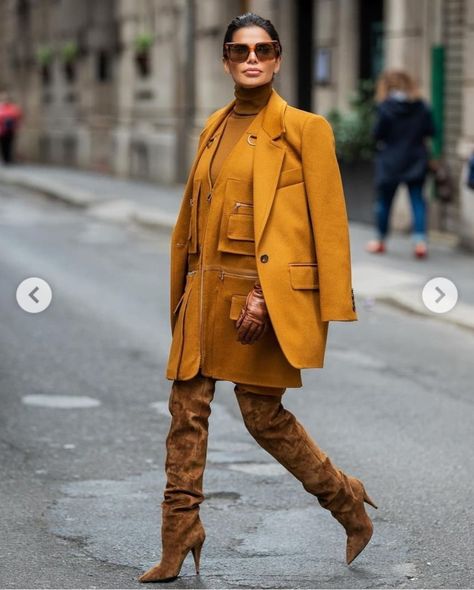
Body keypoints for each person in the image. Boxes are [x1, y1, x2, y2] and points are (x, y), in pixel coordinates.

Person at [138, 13, 377, 583]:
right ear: (226, 59)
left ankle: (346, 503)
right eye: (241, 50)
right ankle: (179, 533)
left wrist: (268, 299)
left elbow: (327, 228)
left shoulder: (304, 129)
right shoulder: (214, 128)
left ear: (277, 59)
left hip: (259, 299)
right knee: (185, 411)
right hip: (204, 291)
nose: (252, 58)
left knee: (262, 417)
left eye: (264, 49)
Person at [366, 70, 435, 258]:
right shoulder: (421, 106)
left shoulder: (385, 107)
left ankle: (380, 240)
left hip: (390, 160)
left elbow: (377, 134)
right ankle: (420, 242)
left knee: (384, 202)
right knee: (418, 201)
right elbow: (431, 130)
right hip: (416, 159)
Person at [0, 91, 22, 165]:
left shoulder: (13, 107)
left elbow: (18, 115)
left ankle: (8, 159)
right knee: (3, 144)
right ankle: (5, 159)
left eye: (6, 99)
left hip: (10, 129)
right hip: (2, 130)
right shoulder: (1, 107)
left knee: (9, 144)